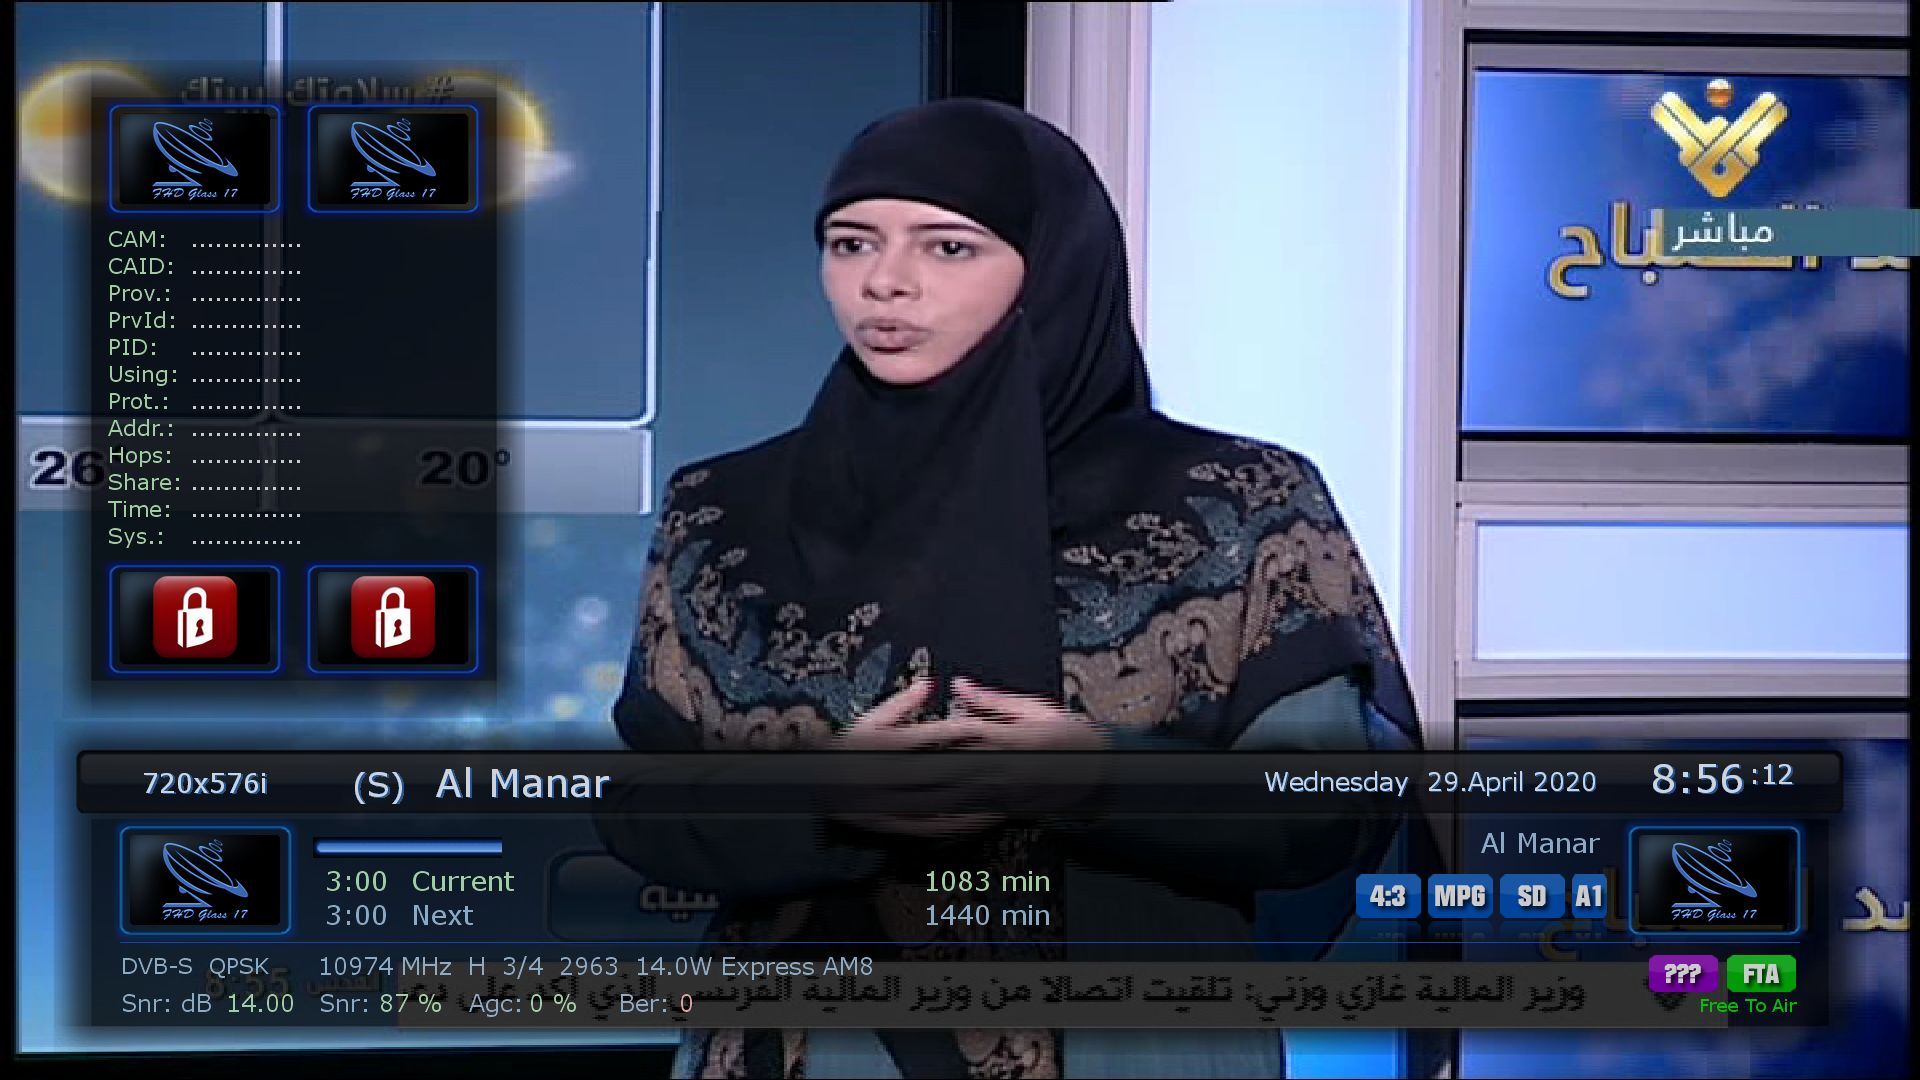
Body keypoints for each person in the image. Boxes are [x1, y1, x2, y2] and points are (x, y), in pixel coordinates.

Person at [603, 98, 1421, 1079]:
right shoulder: (723, 508)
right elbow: (643, 807)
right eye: (851, 243)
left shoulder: (1239, 503)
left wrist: (1098, 779)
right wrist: (823, 799)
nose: (885, 282)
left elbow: (1330, 808)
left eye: (948, 247)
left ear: (1051, 262)